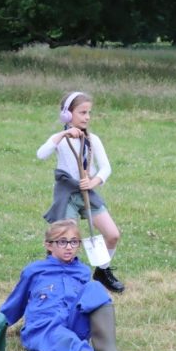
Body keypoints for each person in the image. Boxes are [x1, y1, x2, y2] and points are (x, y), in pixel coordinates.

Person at [0, 219, 138, 351]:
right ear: (49, 245)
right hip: (44, 328)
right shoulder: (35, 271)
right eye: (62, 242)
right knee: (66, 341)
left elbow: (89, 302)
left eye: (74, 242)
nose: (69, 247)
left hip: (72, 322)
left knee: (95, 287)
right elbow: (16, 303)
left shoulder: (82, 271)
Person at [37, 91, 125, 293]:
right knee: (67, 238)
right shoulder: (60, 139)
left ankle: (102, 271)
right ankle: (58, 275)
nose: (87, 117)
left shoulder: (93, 139)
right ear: (67, 115)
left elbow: (106, 168)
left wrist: (93, 182)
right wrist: (63, 135)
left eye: (89, 113)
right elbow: (41, 154)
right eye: (82, 112)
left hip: (87, 191)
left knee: (112, 234)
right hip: (68, 193)